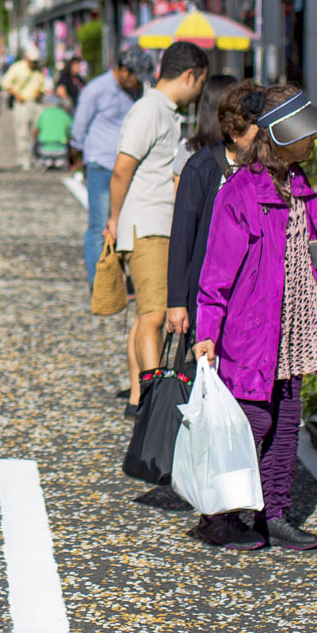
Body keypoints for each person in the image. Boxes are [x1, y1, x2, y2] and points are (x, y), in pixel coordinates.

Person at [193, 85, 317, 552]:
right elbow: (217, 269)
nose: (315, 139)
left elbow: (307, 242)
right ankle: (219, 517)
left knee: (285, 422)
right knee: (252, 423)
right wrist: (207, 331)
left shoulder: (302, 187)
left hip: (296, 320)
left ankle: (273, 513)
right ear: (281, 135)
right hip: (255, 327)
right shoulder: (241, 192)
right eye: (308, 132)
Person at [105, 40, 210, 412]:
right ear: (189, 75)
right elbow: (122, 168)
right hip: (147, 223)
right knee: (153, 316)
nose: (199, 91)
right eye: (200, 82)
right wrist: (115, 219)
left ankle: (138, 394)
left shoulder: (162, 110)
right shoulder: (149, 110)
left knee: (144, 316)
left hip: (154, 224)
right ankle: (152, 398)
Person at [166, 77, 256, 336]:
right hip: (204, 286)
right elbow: (182, 236)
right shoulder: (201, 167)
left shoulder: (267, 167)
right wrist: (176, 302)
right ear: (236, 131)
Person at [70, 48, 149, 294]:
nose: (138, 81)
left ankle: (126, 277)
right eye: (135, 75)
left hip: (128, 166)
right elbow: (78, 129)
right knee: (99, 225)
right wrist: (80, 158)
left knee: (126, 223)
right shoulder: (96, 89)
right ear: (123, 70)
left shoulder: (138, 90)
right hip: (102, 165)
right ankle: (100, 283)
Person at [1, 48, 49, 170]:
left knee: (38, 132)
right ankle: (23, 159)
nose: (34, 63)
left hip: (36, 103)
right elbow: (6, 84)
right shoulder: (17, 67)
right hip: (22, 103)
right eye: (32, 61)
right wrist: (16, 94)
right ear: (26, 58)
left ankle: (37, 157)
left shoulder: (38, 70)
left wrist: (40, 92)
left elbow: (43, 86)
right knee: (22, 133)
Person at [33, 93, 73, 165]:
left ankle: (43, 160)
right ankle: (60, 161)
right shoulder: (66, 116)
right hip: (61, 150)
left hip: (43, 149)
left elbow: (36, 131)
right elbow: (71, 135)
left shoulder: (44, 113)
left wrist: (36, 142)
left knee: (31, 144)